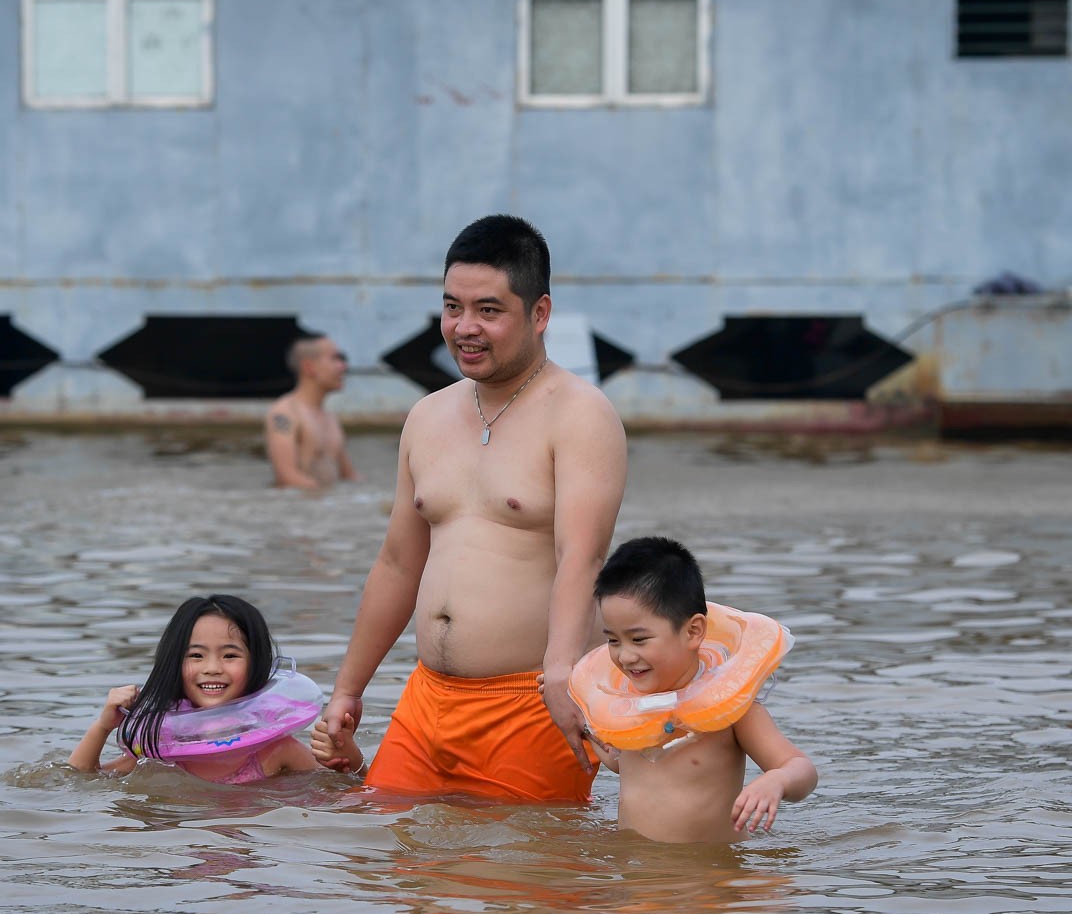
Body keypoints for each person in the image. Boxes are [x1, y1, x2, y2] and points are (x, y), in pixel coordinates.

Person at [317, 215, 627, 801]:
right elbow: (397, 564)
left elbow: (580, 559)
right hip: (426, 701)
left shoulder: (580, 416)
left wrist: (563, 671)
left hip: (531, 701)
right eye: (452, 307)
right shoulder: (427, 416)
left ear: (539, 314)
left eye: (488, 310)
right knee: (390, 872)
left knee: (527, 881)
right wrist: (348, 689)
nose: (465, 328)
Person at [579, 537, 817, 843]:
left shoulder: (734, 710)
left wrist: (777, 780)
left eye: (638, 640)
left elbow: (802, 768)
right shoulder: (629, 705)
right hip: (638, 877)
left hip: (709, 878)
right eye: (613, 640)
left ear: (693, 632)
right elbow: (625, 765)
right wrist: (586, 727)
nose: (624, 656)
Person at [69, 593, 363, 782]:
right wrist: (102, 726)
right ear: (174, 663)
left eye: (230, 655)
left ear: (255, 663)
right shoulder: (161, 751)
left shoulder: (275, 751)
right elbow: (79, 780)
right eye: (196, 655)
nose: (212, 667)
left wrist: (351, 758)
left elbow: (347, 791)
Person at [265, 335, 357, 490]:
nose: (343, 366)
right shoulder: (284, 413)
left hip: (325, 505)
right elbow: (286, 476)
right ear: (309, 367)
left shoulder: (330, 418)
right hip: (301, 509)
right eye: (334, 359)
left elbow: (349, 476)